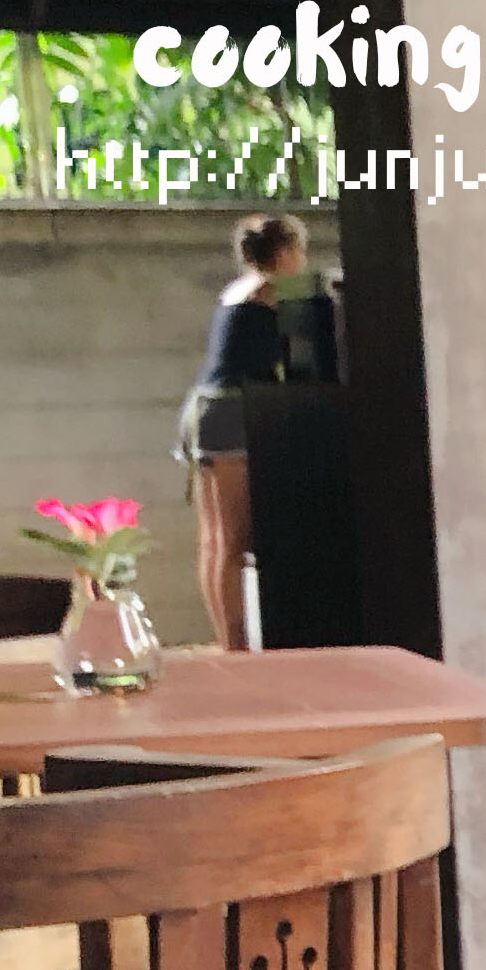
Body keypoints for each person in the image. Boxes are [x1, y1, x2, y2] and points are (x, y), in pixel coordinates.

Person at [179, 213, 325, 649]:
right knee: (234, 539)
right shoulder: (271, 292)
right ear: (284, 252)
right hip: (233, 412)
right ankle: (237, 645)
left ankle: (226, 639)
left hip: (202, 408)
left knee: (213, 539)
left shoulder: (233, 292)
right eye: (298, 250)